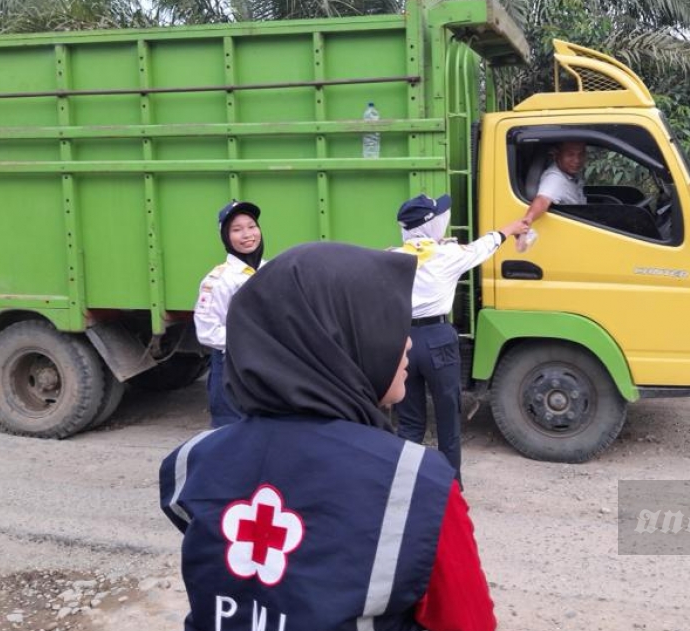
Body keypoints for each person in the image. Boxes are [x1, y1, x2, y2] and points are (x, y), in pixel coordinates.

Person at [160, 242, 497, 631]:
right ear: (335, 341)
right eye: (387, 324)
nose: (406, 343)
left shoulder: (193, 461)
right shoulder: (417, 483)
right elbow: (468, 623)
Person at [394, 193, 529, 479]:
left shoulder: (391, 257)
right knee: (447, 418)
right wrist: (512, 228)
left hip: (402, 341)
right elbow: (486, 244)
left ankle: (405, 486)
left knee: (409, 423)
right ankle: (450, 488)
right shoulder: (451, 255)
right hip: (438, 339)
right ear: (431, 224)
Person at [193, 199, 265, 427]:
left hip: (266, 363)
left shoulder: (269, 269)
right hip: (232, 367)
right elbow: (207, 332)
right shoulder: (218, 280)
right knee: (230, 431)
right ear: (225, 236)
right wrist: (248, 339)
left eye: (252, 226)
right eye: (237, 230)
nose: (247, 234)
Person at [525, 140, 587, 223]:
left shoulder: (571, 173)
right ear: (556, 155)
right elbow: (543, 200)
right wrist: (526, 222)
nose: (577, 160)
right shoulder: (555, 179)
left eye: (581, 154)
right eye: (570, 154)